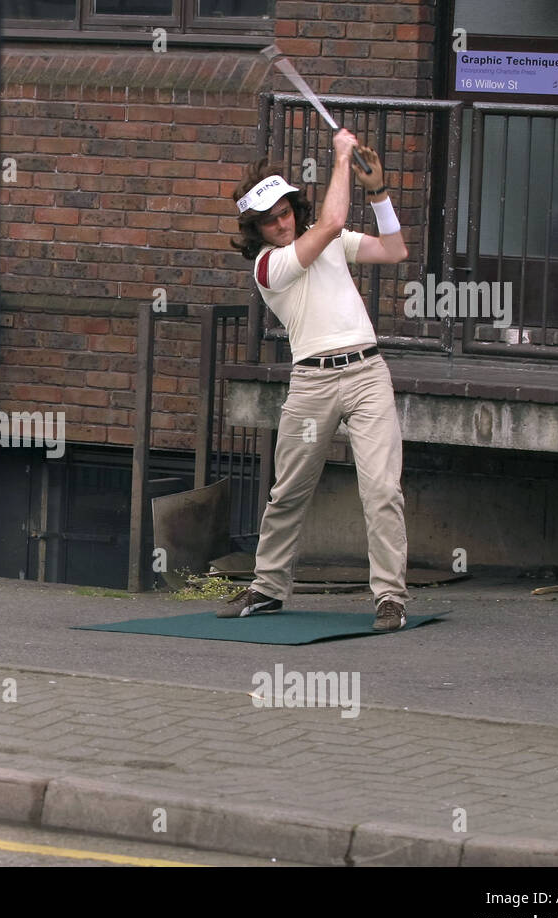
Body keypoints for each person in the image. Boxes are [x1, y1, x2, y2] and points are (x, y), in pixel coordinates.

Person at [219, 129, 410, 631]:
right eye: (268, 221)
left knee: (382, 489)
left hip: (368, 373)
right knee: (289, 491)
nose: (280, 225)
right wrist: (342, 156)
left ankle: (390, 597)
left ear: (292, 209)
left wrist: (381, 193)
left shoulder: (329, 242)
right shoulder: (269, 266)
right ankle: (267, 588)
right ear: (255, 231)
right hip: (313, 384)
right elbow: (331, 220)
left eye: (284, 213)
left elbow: (394, 251)